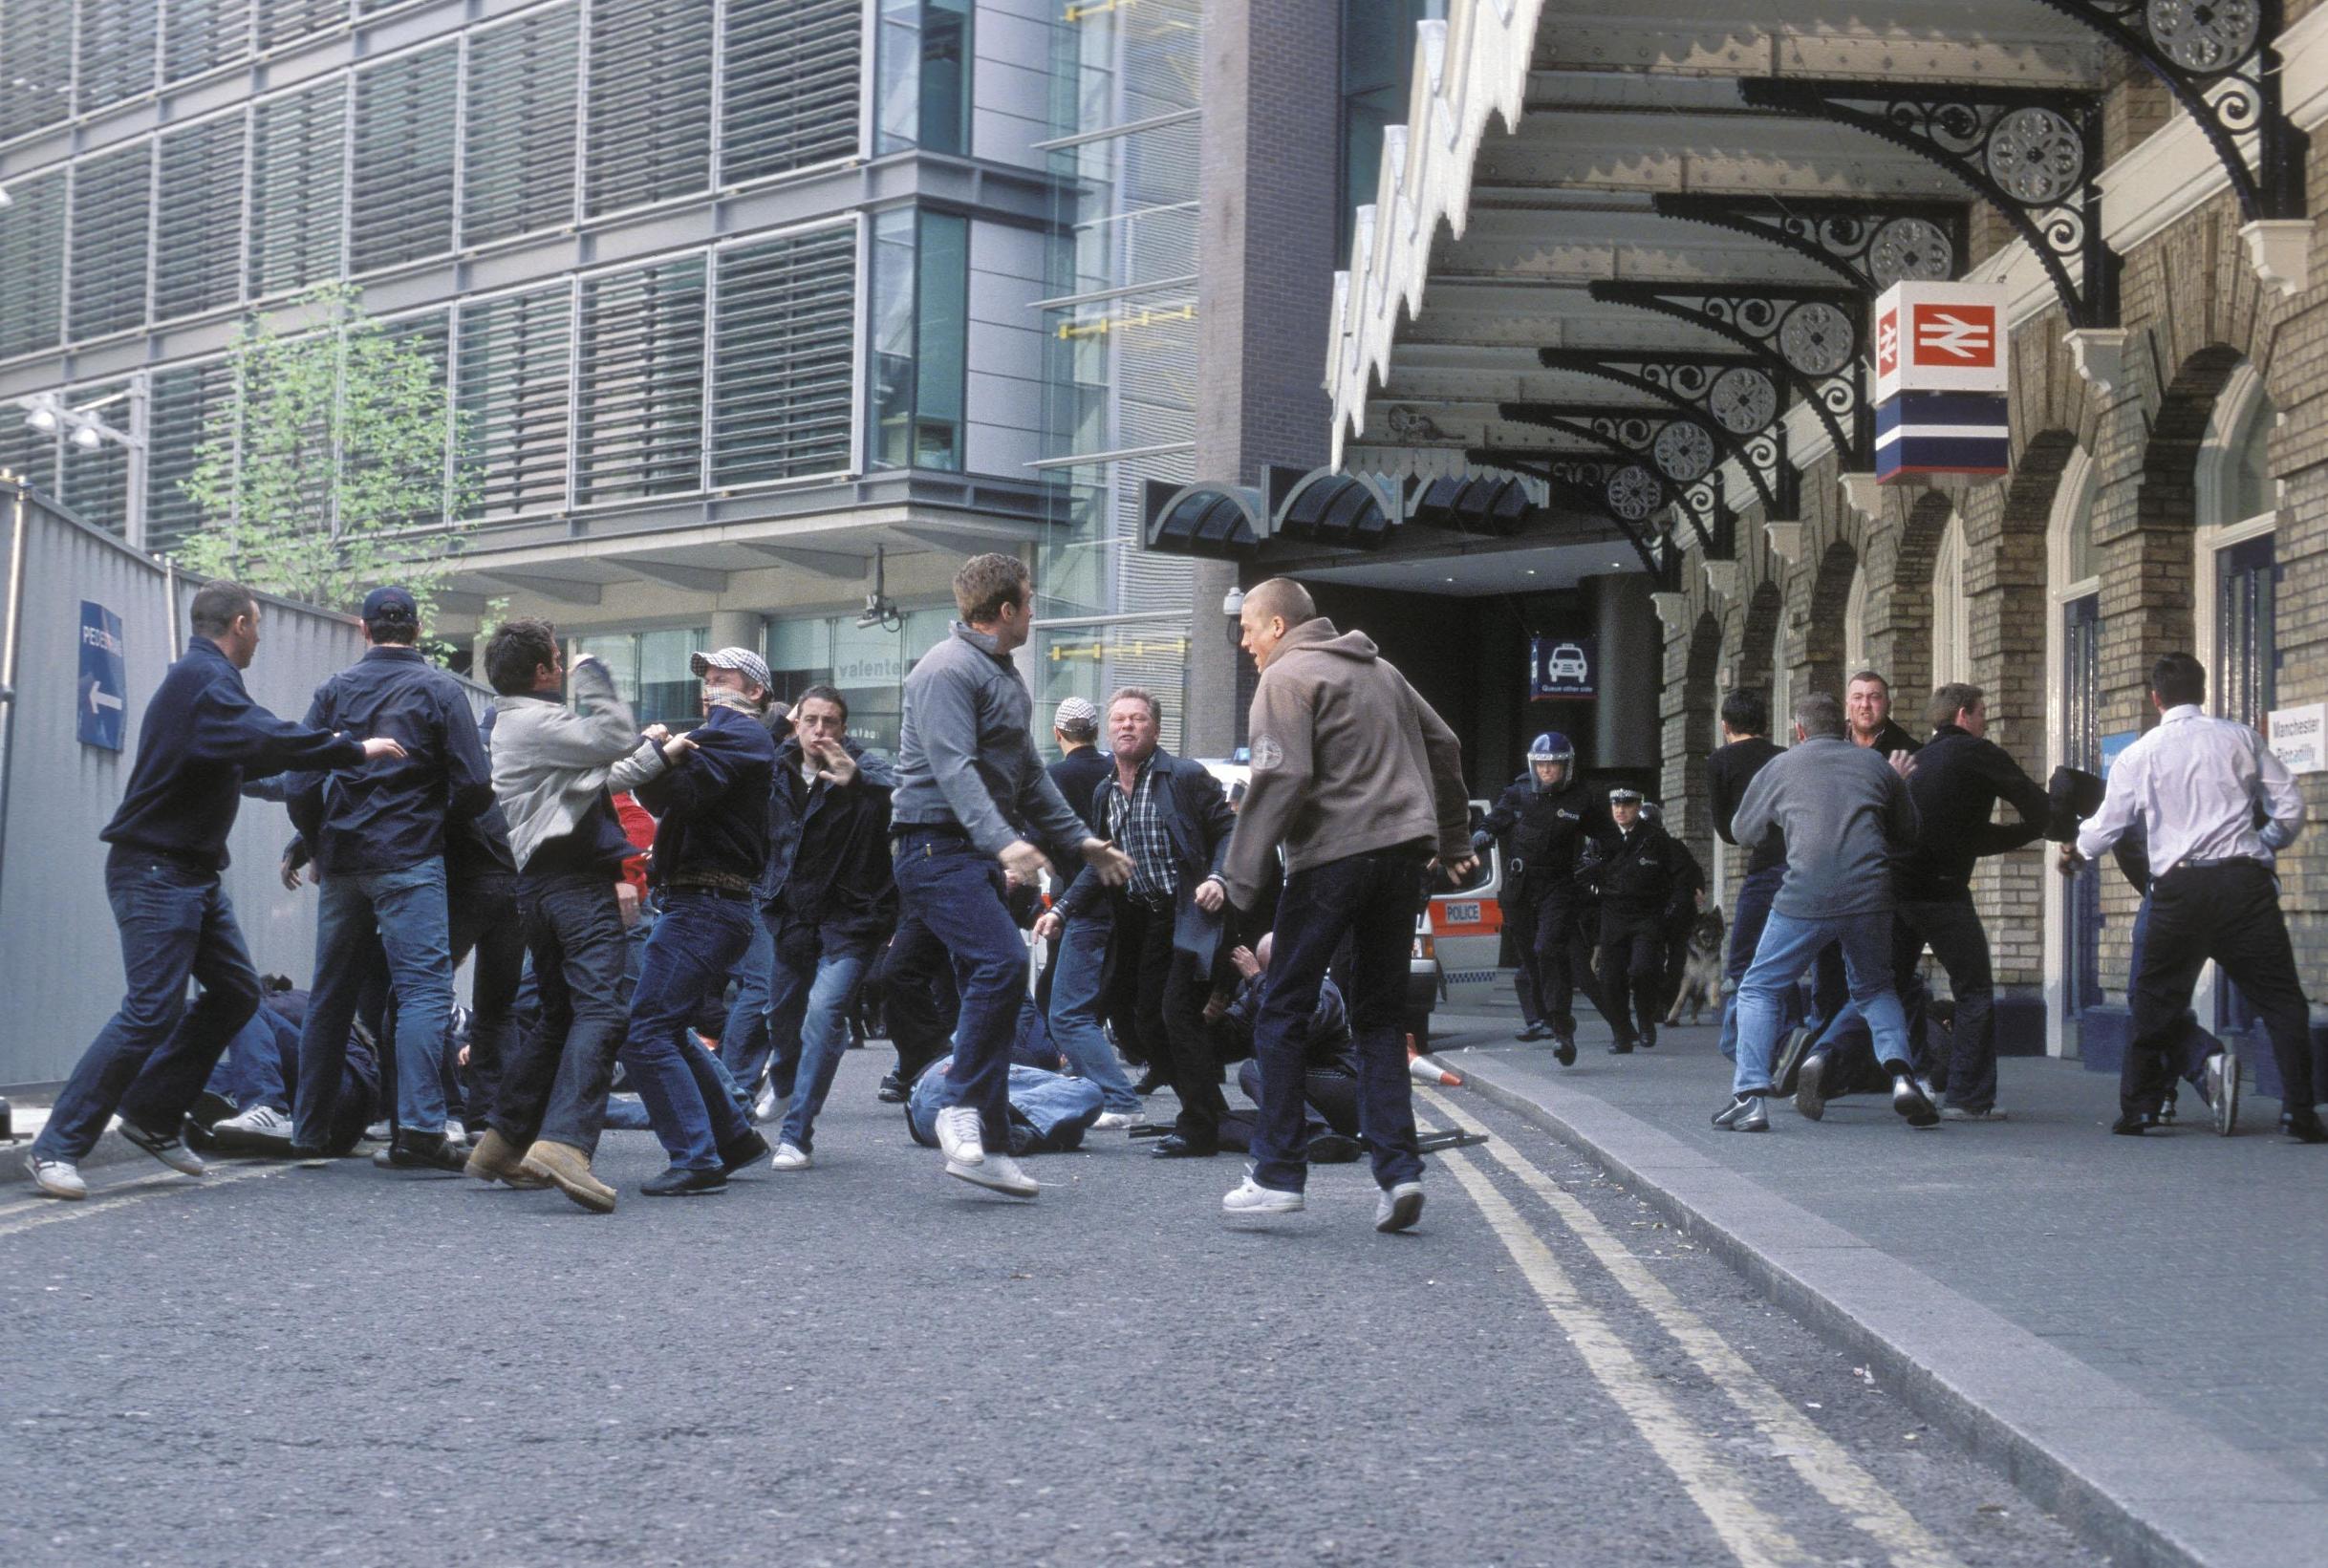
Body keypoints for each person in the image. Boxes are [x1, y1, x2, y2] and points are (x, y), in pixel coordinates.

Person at [23, 582, 401, 1200]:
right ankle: (55, 1147)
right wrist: (350, 749)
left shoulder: (208, 687)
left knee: (234, 993)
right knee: (151, 1007)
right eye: (258, 627)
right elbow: (267, 737)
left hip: (193, 876)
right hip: (155, 872)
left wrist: (323, 773)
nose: (259, 638)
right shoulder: (204, 680)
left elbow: (257, 763)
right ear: (242, 623)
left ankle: (152, 1114)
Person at [1218, 577, 1474, 1232]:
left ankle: (1276, 1173)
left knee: (1282, 1009)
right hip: (1402, 861)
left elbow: (1284, 776)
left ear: (1278, 625)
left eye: (1248, 625)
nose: (1243, 639)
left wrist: (1238, 879)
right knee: (1381, 1019)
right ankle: (1399, 1172)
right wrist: (1452, 838)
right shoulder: (1382, 670)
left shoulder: (1286, 676)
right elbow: (1445, 744)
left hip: (1332, 856)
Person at [889, 554, 1133, 1199]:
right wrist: (1005, 844)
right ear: (1004, 611)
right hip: (931, 846)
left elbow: (1029, 778)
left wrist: (1082, 842)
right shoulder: (943, 670)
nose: (1033, 611)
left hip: (966, 851)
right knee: (1001, 962)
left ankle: (989, 1143)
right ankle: (959, 1111)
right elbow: (953, 769)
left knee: (993, 986)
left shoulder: (1004, 678)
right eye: (1028, 601)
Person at [461, 619, 672, 1212]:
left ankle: (502, 1142)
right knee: (602, 1010)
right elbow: (614, 733)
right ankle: (566, 1144)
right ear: (544, 671)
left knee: (558, 1018)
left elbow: (599, 776)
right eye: (557, 658)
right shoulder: (537, 719)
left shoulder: (521, 725)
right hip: (575, 888)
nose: (563, 663)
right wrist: (594, 673)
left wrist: (659, 755)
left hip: (542, 889)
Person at [2066, 653, 2321, 1142]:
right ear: (2204, 692)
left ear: (2155, 698)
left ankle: (2139, 1110)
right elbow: (2289, 806)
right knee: (2281, 1000)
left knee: (2154, 999)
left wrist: (2075, 850)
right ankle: (2299, 1113)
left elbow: (2107, 825)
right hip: (2242, 888)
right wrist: (2262, 846)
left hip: (2178, 890)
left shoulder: (2141, 753)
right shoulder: (2240, 738)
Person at [287, 587, 494, 1173]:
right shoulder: (440, 689)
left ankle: (310, 1133)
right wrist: (432, 822)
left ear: (363, 629)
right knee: (424, 991)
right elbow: (476, 784)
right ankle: (421, 1131)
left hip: (345, 863)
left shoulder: (334, 690)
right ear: (419, 628)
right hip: (409, 858)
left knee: (331, 993)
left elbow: (302, 780)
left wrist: (319, 839)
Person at [1717, 690, 1931, 1134]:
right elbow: (1909, 833)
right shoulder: (1875, 765)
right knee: (1876, 989)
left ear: (1799, 731)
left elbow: (1741, 831)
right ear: (1846, 727)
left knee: (1759, 988)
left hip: (1804, 897)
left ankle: (1750, 1099)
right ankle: (1903, 1079)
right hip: (1870, 896)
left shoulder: (1780, 767)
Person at [1038, 687, 1238, 1154]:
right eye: (1120, 720)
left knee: (1175, 1014)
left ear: (1157, 729)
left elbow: (1230, 828)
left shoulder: (1185, 776)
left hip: (1189, 912)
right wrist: (1062, 910)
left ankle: (1199, 1125)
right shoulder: (1107, 790)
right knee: (1144, 1023)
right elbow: (1100, 861)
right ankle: (1209, 1109)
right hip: (1143, 919)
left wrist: (1218, 878)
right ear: (1108, 732)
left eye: (1139, 719)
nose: (1128, 726)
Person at [612, 647, 780, 1195]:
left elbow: (673, 793)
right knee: (668, 1025)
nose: (710, 688)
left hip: (706, 902)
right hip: (700, 901)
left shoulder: (740, 734)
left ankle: (695, 1155)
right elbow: (667, 796)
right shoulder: (725, 738)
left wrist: (660, 751)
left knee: (647, 1033)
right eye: (706, 679)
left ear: (755, 692)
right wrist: (663, 753)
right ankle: (731, 1136)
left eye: (722, 679)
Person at [1886, 682, 2049, 1120]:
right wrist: (2053, 823)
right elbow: (2037, 807)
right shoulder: (1978, 753)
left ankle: (1893, 1075)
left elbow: (1968, 836)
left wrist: (2024, 833)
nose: (1985, 721)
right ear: (1963, 715)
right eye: (1981, 713)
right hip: (1943, 894)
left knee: (1892, 988)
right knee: (1974, 990)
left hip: (1897, 893)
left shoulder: (1919, 760)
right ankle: (1968, 1098)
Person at [757, 684, 897, 1171]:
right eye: (810, 720)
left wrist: (853, 778)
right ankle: (783, 1080)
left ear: (843, 727)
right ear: (796, 722)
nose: (820, 731)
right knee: (781, 1017)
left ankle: (797, 1133)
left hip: (852, 918)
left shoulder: (864, 767)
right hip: (791, 913)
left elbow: (898, 786)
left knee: (823, 1014)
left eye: (830, 722)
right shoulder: (776, 767)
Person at [1475, 732, 1606, 1063]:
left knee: (1548, 949)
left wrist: (1594, 869)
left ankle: (1562, 1029)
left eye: (1554, 765)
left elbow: (1609, 842)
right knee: (1531, 961)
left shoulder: (1581, 799)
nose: (1548, 771)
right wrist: (1482, 834)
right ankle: (1542, 1019)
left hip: (1558, 886)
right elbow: (1495, 822)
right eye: (1542, 765)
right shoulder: (1519, 793)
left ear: (1567, 767)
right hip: (1520, 887)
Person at [1708, 690, 1788, 1063]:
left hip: (1764, 867)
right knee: (1788, 954)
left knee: (1742, 958)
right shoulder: (1785, 757)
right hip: (1799, 865)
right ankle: (1791, 1037)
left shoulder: (1720, 761)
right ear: (1765, 723)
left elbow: (1725, 830)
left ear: (1725, 726)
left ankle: (1740, 1044)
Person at [1581, 788, 1682, 1053]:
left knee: (1643, 970)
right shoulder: (1601, 838)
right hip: (1613, 913)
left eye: (1627, 804)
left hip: (1646, 914)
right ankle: (1621, 1034)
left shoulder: (1656, 838)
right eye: (1616, 804)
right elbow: (1584, 873)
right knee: (1610, 978)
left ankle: (1646, 1018)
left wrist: (1670, 910)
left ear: (1638, 807)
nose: (1620, 810)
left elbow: (1676, 876)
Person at [1037, 695, 1110, 1018]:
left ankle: (1057, 1046)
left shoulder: (1054, 777)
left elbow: (1040, 836)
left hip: (1072, 893)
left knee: (1059, 974)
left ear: (1057, 734)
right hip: (1119, 890)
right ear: (1096, 732)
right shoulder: (1114, 769)